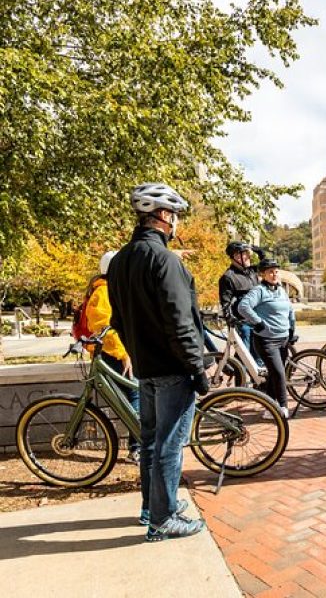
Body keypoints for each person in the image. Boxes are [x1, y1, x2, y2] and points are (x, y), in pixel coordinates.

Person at [107, 182, 207, 542]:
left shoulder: (119, 261)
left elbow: (117, 319)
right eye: (175, 215)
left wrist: (137, 352)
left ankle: (153, 508)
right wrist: (196, 368)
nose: (176, 222)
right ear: (163, 216)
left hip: (146, 368)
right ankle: (163, 520)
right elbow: (180, 322)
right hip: (172, 369)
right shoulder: (165, 260)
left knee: (150, 442)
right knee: (169, 444)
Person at [84, 250, 141, 464]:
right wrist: (123, 353)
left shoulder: (114, 289)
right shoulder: (103, 292)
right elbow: (103, 328)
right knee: (134, 396)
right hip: (114, 354)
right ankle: (139, 447)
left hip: (126, 351)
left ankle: (140, 445)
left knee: (137, 394)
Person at [237, 259, 296, 419]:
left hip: (283, 339)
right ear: (262, 274)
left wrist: (291, 329)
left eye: (276, 271)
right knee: (279, 373)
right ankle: (283, 407)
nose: (274, 274)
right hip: (266, 341)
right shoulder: (259, 291)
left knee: (273, 375)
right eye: (270, 271)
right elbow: (243, 307)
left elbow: (290, 309)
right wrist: (258, 322)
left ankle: (269, 409)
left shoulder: (281, 290)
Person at [218, 241, 266, 368]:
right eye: (244, 254)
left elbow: (267, 268)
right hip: (242, 323)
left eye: (247, 254)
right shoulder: (228, 277)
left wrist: (261, 254)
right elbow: (225, 303)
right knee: (244, 357)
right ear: (236, 257)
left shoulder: (251, 271)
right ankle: (239, 383)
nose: (248, 257)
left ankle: (259, 385)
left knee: (258, 356)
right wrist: (231, 320)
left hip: (256, 319)